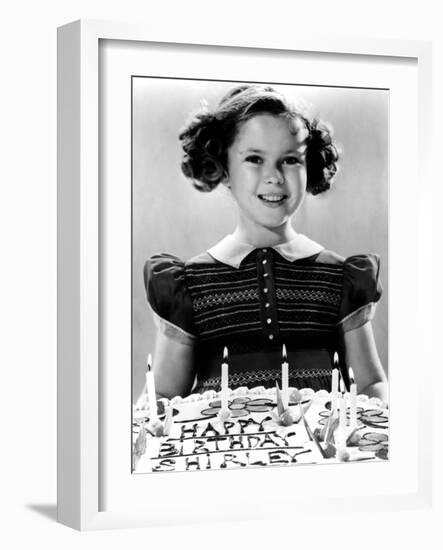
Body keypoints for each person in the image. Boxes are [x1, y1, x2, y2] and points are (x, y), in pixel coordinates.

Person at [143, 84, 388, 403]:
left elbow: (370, 386)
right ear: (222, 168)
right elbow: (163, 394)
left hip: (321, 450)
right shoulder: (188, 285)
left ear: (308, 165)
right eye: (255, 159)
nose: (274, 176)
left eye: (290, 160)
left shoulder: (341, 278)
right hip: (222, 451)